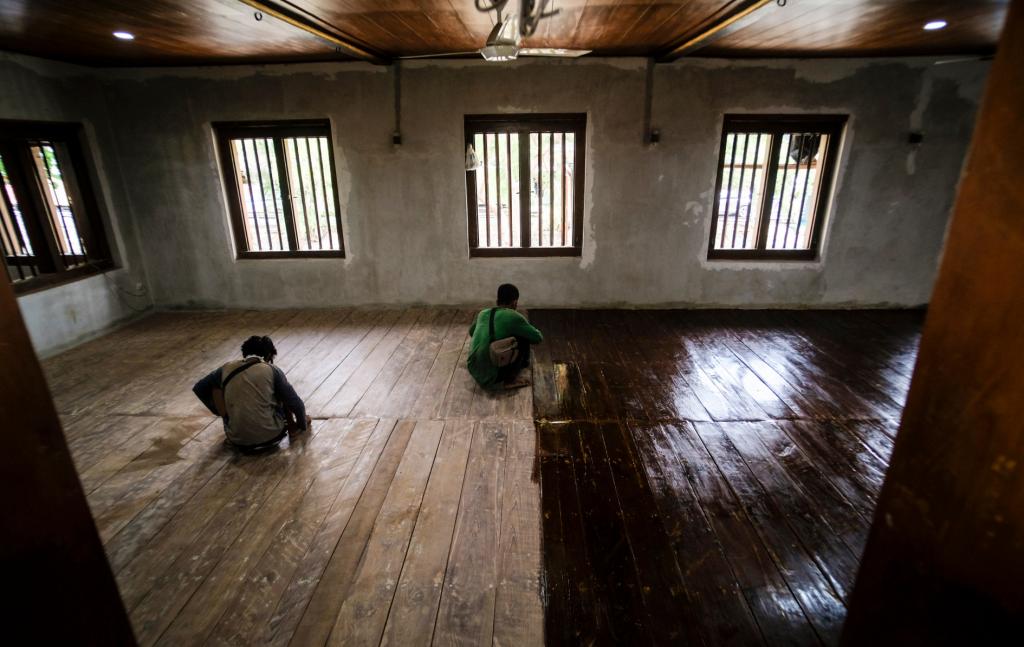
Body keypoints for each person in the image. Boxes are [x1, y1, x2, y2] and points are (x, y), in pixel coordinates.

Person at [192, 335, 311, 452]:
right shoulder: (271, 369)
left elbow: (199, 388)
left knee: (216, 387)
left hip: (236, 439)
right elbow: (296, 404)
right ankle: (292, 429)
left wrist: (221, 412)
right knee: (282, 391)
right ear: (269, 355)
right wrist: (302, 423)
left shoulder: (226, 368)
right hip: (271, 436)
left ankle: (236, 426)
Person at [467, 283, 543, 390]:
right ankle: (510, 379)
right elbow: (538, 338)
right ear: (514, 302)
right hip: (493, 375)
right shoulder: (513, 316)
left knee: (502, 335)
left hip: (474, 368)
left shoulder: (483, 313)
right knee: (522, 339)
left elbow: (471, 332)